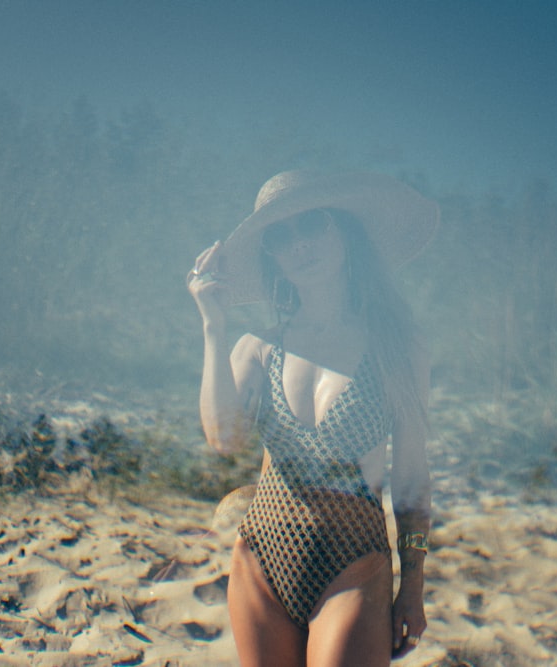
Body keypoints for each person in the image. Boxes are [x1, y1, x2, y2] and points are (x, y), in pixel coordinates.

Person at [187, 170, 438, 666]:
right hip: (261, 557)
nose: (299, 244)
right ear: (273, 258)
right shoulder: (257, 348)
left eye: (312, 225)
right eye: (282, 236)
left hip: (355, 562)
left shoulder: (397, 348)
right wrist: (213, 328)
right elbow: (224, 439)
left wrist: (413, 585)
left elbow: (410, 476)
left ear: (343, 231)